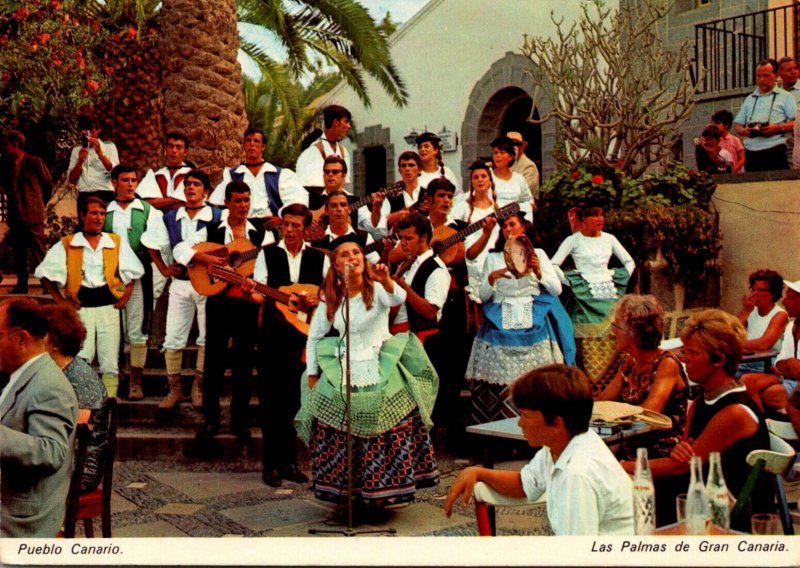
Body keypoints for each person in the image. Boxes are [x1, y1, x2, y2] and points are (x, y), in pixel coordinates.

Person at [296, 239, 439, 510]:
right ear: (336, 264)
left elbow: (398, 297)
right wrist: (312, 374)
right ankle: (348, 491)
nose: (353, 257)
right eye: (345, 254)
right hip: (344, 361)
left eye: (356, 252)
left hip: (381, 358)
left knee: (384, 426)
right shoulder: (330, 295)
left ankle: (381, 492)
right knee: (337, 425)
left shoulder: (376, 287)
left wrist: (386, 280)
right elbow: (314, 336)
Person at [621, 309, 772, 529]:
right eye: (685, 351)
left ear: (718, 359)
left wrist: (621, 466)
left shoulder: (735, 411)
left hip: (730, 514)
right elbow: (682, 457)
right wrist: (679, 452)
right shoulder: (702, 401)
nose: (684, 358)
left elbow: (679, 467)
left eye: (692, 353)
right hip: (701, 496)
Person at [445, 364, 634, 536]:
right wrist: (478, 472)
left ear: (557, 423)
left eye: (526, 415)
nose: (520, 423)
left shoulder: (576, 474)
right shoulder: (561, 445)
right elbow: (524, 484)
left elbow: (578, 556)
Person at [465, 212, 575, 423]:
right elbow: (484, 296)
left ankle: (536, 427)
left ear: (523, 228)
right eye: (504, 226)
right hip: (500, 319)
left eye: (512, 224)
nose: (508, 229)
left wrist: (538, 270)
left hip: (533, 317)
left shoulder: (539, 254)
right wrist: (491, 278)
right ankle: (497, 428)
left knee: (536, 380)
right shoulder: (493, 257)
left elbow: (556, 290)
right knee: (499, 380)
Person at [35, 197, 144, 397]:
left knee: (110, 360)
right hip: (81, 308)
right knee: (81, 357)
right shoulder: (68, 244)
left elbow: (134, 271)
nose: (99, 218)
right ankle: (83, 405)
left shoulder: (114, 242)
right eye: (94, 213)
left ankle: (109, 402)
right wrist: (60, 300)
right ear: (83, 216)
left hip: (108, 307)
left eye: (102, 213)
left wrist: (126, 294)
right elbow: (45, 273)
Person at [250, 203, 327, 486]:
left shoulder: (320, 258)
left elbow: (329, 294)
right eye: (286, 225)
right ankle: (270, 465)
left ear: (307, 229)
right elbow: (259, 294)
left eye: (296, 226)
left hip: (305, 337)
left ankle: (290, 462)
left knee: (294, 401)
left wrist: (316, 300)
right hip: (273, 335)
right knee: (271, 401)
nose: (291, 230)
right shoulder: (267, 254)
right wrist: (251, 291)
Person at [192, 182, 268, 445]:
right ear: (226, 202)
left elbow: (265, 266)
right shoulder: (213, 229)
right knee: (213, 361)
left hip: (246, 301)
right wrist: (209, 260)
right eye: (237, 200)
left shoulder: (260, 235)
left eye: (247, 200)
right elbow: (185, 251)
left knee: (244, 363)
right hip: (218, 300)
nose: (243, 205)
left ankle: (240, 421)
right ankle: (211, 420)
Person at [141, 169, 222, 410]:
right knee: (174, 336)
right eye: (188, 184)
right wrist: (165, 269)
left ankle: (198, 386)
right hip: (180, 283)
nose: (191, 188)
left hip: (208, 284)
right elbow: (150, 243)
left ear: (206, 191)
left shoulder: (218, 216)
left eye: (196, 184)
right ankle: (174, 389)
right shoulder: (169, 217)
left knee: (206, 336)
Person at [0, 298, 78, 537]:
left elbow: (51, 451)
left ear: (21, 339)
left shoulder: (48, 384)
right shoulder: (24, 374)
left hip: (18, 523)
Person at [550, 201, 635, 391]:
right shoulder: (573, 240)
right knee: (584, 343)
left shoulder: (610, 239)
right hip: (583, 299)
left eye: (601, 215)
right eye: (595, 215)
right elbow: (553, 264)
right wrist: (571, 282)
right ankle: (587, 390)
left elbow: (630, 261)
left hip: (608, 294)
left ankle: (611, 387)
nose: (600, 219)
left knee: (613, 337)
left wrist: (618, 278)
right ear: (583, 220)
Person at [598, 294, 689, 456]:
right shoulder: (629, 362)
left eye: (616, 326)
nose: (612, 332)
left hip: (662, 448)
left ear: (633, 332)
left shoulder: (666, 364)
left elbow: (648, 415)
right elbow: (602, 401)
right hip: (630, 441)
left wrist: (602, 431)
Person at [104, 165, 164, 400]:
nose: (130, 185)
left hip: (138, 279)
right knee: (112, 328)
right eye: (125, 180)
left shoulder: (148, 211)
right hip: (110, 279)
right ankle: (117, 376)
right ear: (114, 183)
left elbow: (158, 244)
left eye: (133, 180)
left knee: (137, 328)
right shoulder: (105, 211)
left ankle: (136, 381)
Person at [41, 303, 109, 493]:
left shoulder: (81, 378)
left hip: (79, 468)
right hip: (57, 459)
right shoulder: (53, 370)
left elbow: (75, 432)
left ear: (55, 343)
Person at [208, 127, 307, 233]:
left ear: (263, 147)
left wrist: (281, 218)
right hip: (242, 229)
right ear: (244, 145)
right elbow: (216, 203)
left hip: (270, 227)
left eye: (256, 141)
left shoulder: (278, 174)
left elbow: (299, 201)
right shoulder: (232, 175)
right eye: (248, 140)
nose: (252, 144)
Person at [0, 130, 51, 294]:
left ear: (15, 145)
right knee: (19, 252)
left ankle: (47, 285)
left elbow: (47, 184)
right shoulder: (8, 165)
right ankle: (22, 284)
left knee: (39, 252)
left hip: (33, 215)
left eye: (7, 145)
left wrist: (38, 204)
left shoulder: (34, 162)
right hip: (16, 216)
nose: (5, 148)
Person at [743, 280, 800, 416]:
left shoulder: (779, 315)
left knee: (767, 394)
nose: (784, 302)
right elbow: (778, 364)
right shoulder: (792, 326)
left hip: (793, 382)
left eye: (790, 298)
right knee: (746, 381)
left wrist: (788, 368)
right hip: (787, 378)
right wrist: (791, 363)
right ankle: (760, 427)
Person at [391, 212, 450, 340]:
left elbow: (430, 312)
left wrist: (403, 286)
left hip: (418, 337)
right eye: (401, 238)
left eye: (408, 238)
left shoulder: (436, 269)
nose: (403, 243)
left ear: (423, 237)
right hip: (398, 333)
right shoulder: (408, 262)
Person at [447, 160, 500, 301]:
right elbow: (448, 229)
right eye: (475, 177)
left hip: (496, 258)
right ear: (471, 182)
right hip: (473, 261)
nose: (480, 180)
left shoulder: (498, 208)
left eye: (483, 176)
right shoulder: (463, 207)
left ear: (490, 180)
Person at [734, 59, 796, 172]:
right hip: (751, 150)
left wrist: (778, 128)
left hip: (775, 149)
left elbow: (797, 123)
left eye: (766, 75)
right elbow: (738, 125)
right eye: (758, 76)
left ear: (776, 75)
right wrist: (745, 131)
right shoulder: (750, 98)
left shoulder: (786, 96)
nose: (762, 79)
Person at [362, 151, 425, 240]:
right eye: (403, 166)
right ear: (399, 170)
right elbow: (378, 229)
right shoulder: (390, 196)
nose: (407, 169)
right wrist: (393, 218)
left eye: (411, 165)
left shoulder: (427, 193)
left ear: (419, 169)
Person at [295, 105, 352, 195]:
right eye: (346, 122)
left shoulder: (343, 151)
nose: (349, 126)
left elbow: (343, 183)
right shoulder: (312, 152)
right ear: (336, 122)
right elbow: (308, 188)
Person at [67, 114, 119, 207]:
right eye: (86, 133)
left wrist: (100, 153)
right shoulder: (76, 151)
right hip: (85, 195)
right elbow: (71, 179)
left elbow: (114, 173)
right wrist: (80, 161)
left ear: (98, 130)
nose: (89, 135)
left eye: (92, 131)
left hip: (105, 193)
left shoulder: (109, 147)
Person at [137, 132, 194, 211]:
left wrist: (160, 203)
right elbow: (146, 203)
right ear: (165, 149)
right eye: (170, 146)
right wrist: (177, 199)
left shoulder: (193, 174)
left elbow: (192, 203)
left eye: (178, 147)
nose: (174, 150)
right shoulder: (156, 175)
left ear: (185, 152)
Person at [737, 269, 788, 353]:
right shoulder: (751, 311)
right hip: (748, 360)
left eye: (760, 290)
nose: (754, 294)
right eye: (753, 290)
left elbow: (764, 344)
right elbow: (732, 332)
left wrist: (734, 345)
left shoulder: (780, 314)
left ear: (773, 293)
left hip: (766, 362)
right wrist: (746, 310)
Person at [489, 136, 533, 218]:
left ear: (511, 156)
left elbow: (528, 201)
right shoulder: (488, 176)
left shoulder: (519, 178)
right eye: (495, 153)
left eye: (502, 152)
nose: (498, 156)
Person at [414, 131, 462, 199]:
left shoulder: (447, 172)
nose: (422, 149)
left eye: (426, 146)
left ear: (436, 150)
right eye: (420, 147)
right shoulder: (415, 174)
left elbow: (459, 196)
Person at [777, 57, 800, 165]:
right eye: (789, 70)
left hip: (796, 142)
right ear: (780, 73)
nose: (794, 72)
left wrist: (780, 127)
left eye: (795, 68)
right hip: (778, 143)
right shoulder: (776, 93)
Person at [506, 131, 540, 202]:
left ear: (522, 147)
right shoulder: (506, 165)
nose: (513, 148)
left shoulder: (528, 166)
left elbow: (522, 193)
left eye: (516, 145)